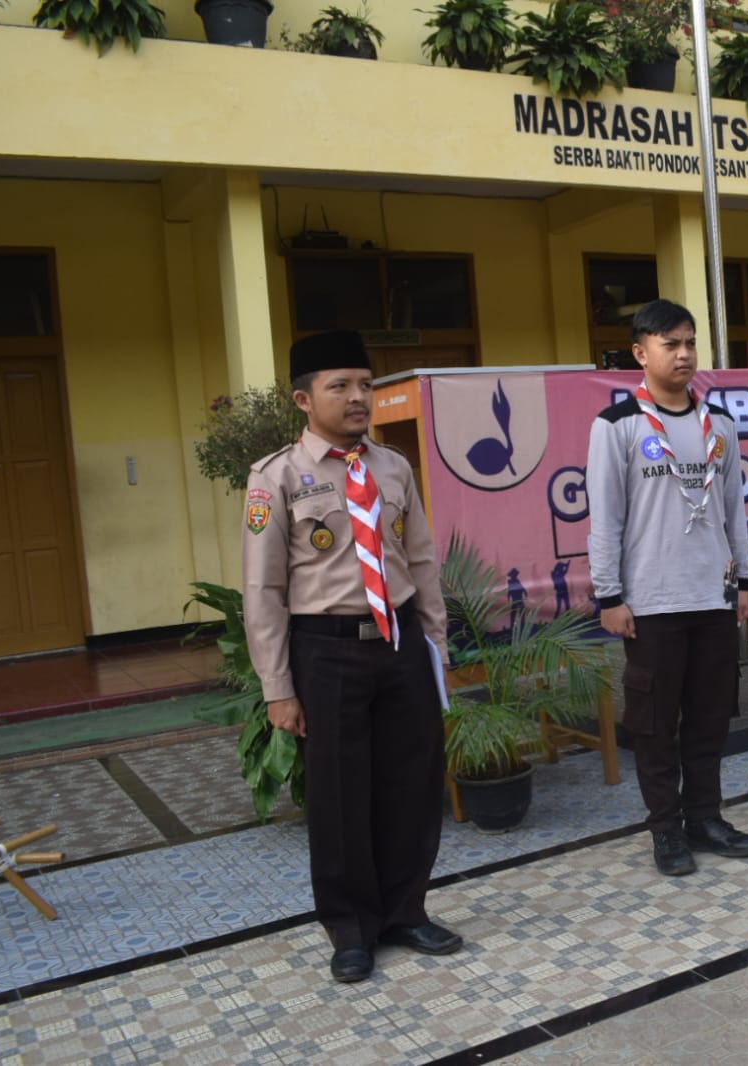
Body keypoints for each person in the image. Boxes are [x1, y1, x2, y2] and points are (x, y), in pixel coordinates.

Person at [242, 330, 460, 985]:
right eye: (340, 386)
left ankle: (405, 912)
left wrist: (435, 647)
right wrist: (278, 687)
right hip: (326, 650)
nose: (358, 397)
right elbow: (263, 589)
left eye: (365, 384)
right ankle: (351, 930)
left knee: (412, 784)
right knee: (339, 796)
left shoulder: (392, 468)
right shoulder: (275, 477)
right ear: (303, 400)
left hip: (400, 643)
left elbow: (420, 559)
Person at [587, 299, 748, 876]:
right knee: (656, 724)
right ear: (641, 353)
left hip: (712, 597)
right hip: (651, 602)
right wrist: (610, 596)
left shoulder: (720, 425)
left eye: (690, 343)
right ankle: (665, 830)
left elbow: (734, 510)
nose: (684, 354)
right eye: (670, 344)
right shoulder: (617, 426)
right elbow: (605, 518)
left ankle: (705, 817)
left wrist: (741, 581)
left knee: (710, 717)